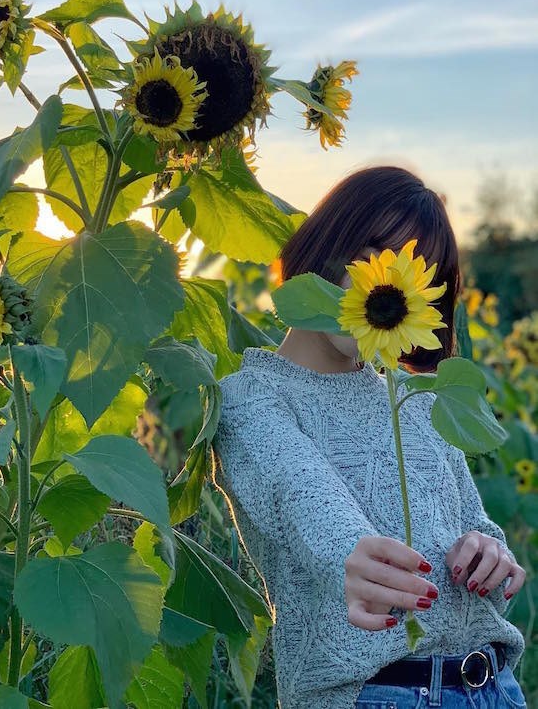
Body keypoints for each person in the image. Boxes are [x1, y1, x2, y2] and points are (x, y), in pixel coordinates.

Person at [210, 166, 528, 709]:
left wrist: (487, 554)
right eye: (371, 253)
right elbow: (299, 492)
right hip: (377, 695)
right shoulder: (250, 396)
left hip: (494, 687)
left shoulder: (422, 398)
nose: (381, 284)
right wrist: (350, 557)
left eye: (415, 274)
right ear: (324, 242)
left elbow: (475, 529)